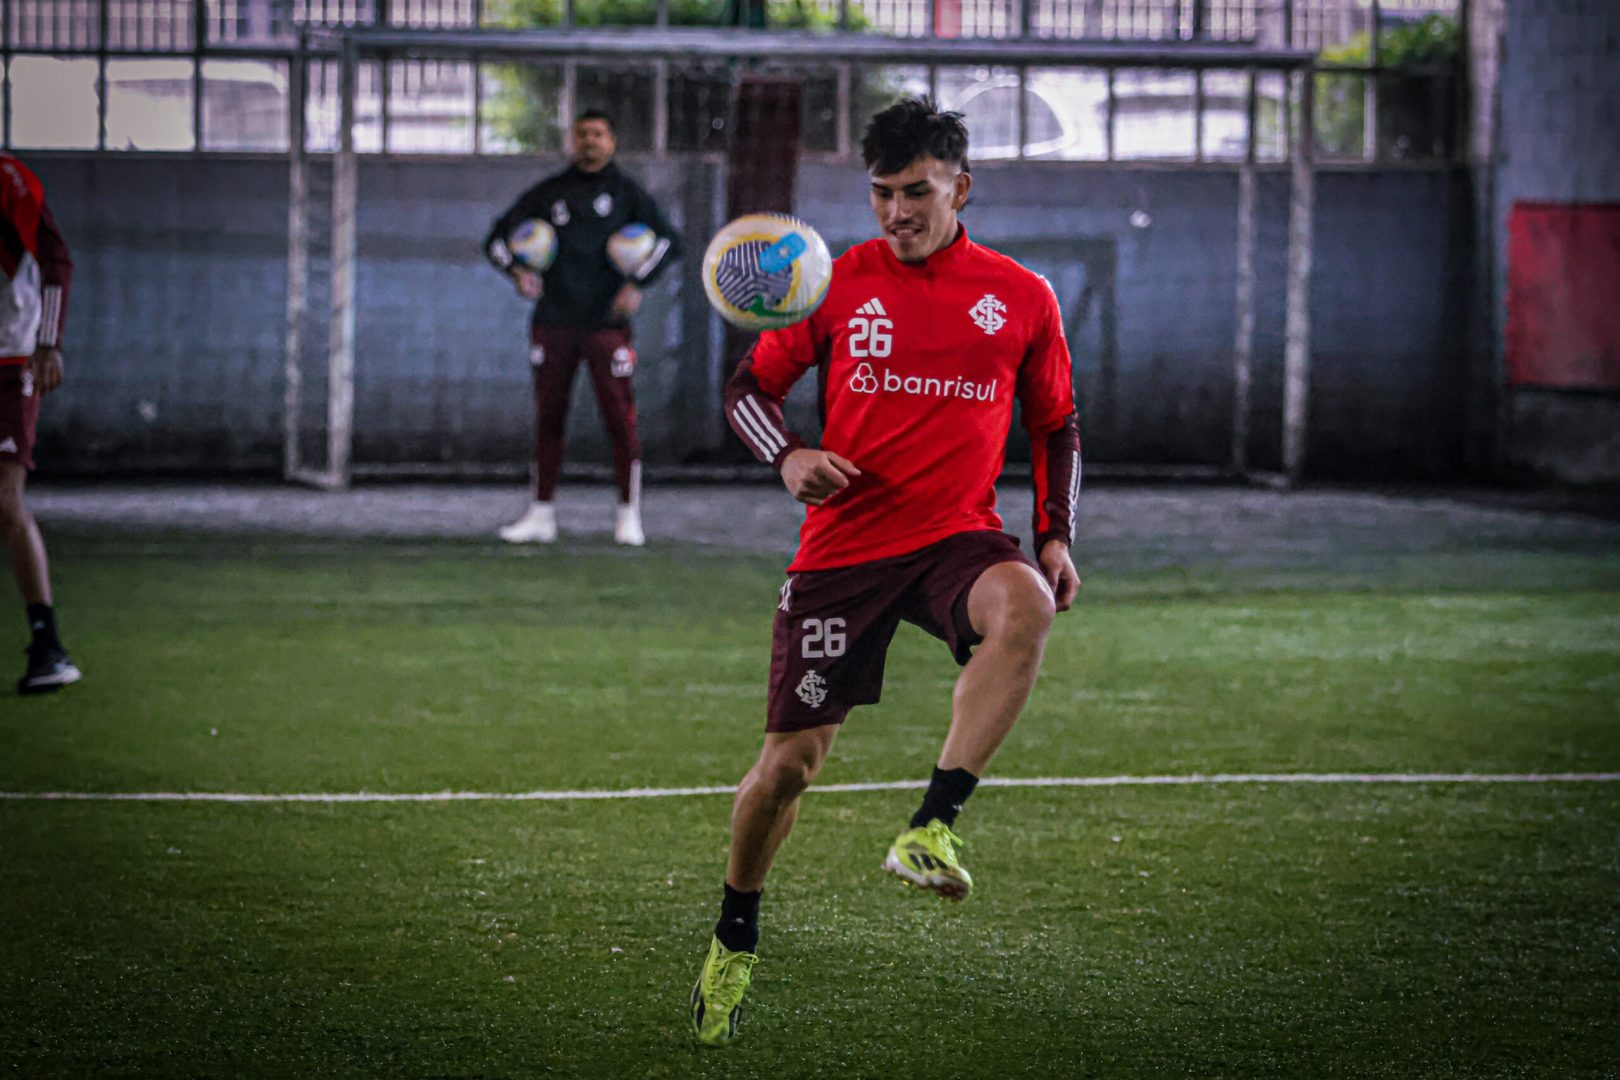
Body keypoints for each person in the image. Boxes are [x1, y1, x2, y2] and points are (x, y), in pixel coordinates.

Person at [689, 97, 1083, 1047]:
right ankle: (734, 932)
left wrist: (1055, 534)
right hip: (846, 547)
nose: (897, 211)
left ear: (960, 187)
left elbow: (1056, 424)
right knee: (789, 768)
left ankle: (933, 825)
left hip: (955, 537)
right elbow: (747, 389)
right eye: (881, 193)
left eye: (916, 191)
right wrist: (788, 454)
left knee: (1026, 602)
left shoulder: (1021, 296)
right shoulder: (830, 285)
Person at [483, 109, 682, 547]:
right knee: (549, 416)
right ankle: (540, 514)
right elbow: (495, 239)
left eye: (598, 134)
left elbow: (670, 241)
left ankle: (628, 516)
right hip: (553, 322)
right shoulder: (550, 193)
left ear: (611, 142)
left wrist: (637, 282)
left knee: (620, 419)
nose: (590, 141)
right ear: (573, 142)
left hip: (607, 325)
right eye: (582, 134)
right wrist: (518, 272)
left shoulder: (628, 194)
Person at [0, 153, 80, 695]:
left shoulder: (8, 179)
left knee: (5, 500)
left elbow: (56, 259)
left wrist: (48, 343)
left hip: (10, 359)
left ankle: (48, 645)